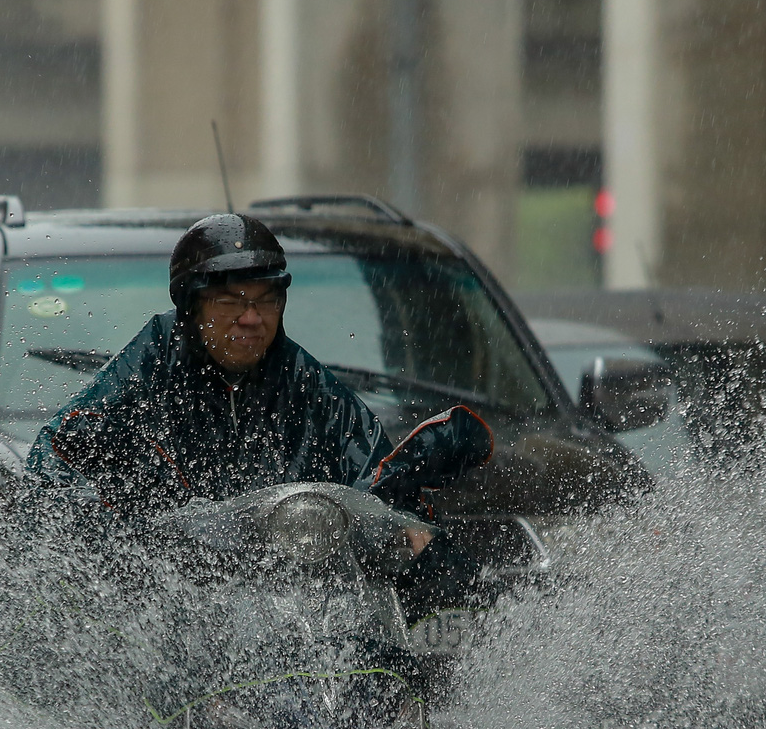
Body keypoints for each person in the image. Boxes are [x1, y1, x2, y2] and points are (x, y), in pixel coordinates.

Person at [26, 212, 491, 522]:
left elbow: (374, 486)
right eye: (231, 301)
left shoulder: (312, 389)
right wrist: (96, 531)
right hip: (163, 604)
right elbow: (60, 448)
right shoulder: (149, 364)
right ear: (190, 307)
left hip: (299, 616)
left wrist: (410, 532)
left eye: (267, 300)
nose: (252, 317)